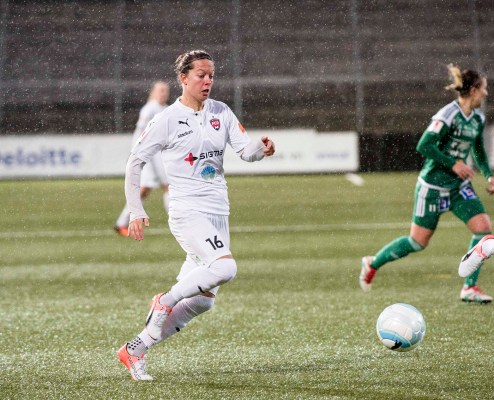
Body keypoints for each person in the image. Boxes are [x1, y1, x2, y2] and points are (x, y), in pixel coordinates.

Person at [117, 50, 275, 380]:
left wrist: (261, 149)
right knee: (225, 267)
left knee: (203, 302)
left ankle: (135, 350)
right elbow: (135, 162)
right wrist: (136, 210)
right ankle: (164, 300)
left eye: (211, 75)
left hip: (218, 213)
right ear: (183, 78)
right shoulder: (167, 119)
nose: (207, 81)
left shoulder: (221, 111)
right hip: (187, 211)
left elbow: (245, 151)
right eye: (201, 75)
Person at [359, 64, 494, 303]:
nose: (486, 93)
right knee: (417, 242)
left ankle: (469, 287)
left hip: (458, 187)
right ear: (473, 90)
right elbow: (424, 145)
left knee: (484, 230)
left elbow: (479, 152)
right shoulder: (448, 115)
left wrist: (489, 175)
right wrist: (453, 164)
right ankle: (373, 263)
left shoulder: (477, 119)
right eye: (483, 88)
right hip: (432, 188)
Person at [114, 80, 171, 236]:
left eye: (165, 90)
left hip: (157, 154)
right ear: (154, 92)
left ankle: (121, 223)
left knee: (146, 189)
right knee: (166, 185)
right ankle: (176, 221)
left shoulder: (166, 109)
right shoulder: (150, 108)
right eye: (160, 90)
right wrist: (137, 154)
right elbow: (140, 132)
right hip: (148, 155)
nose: (164, 93)